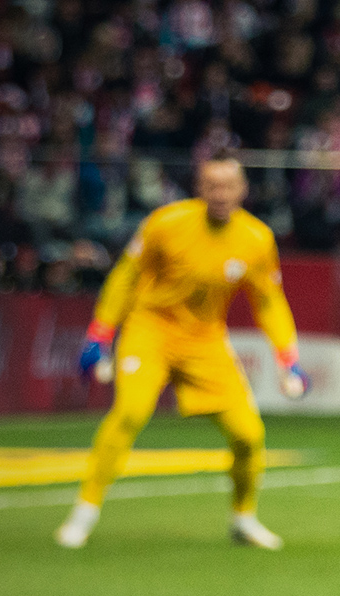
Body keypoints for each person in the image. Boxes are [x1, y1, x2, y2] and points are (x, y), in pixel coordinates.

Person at [55, 155, 308, 550]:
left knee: (248, 436)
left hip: (204, 340)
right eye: (213, 185)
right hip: (150, 328)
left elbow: (268, 302)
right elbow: (126, 275)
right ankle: (84, 511)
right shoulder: (166, 224)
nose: (221, 194)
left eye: (228, 186)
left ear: (243, 190)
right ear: (200, 188)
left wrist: (287, 355)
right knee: (130, 413)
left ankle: (243, 518)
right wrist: (100, 332)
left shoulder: (256, 239)